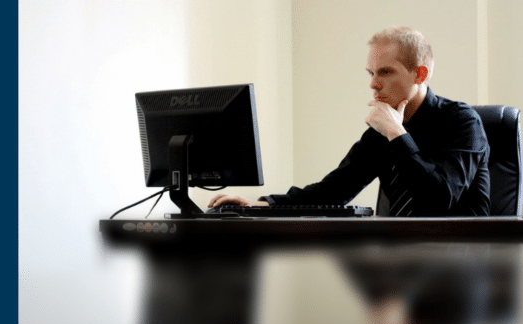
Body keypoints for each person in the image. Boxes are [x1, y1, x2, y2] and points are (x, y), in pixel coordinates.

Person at [208, 26, 490, 217]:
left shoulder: (463, 123)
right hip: (401, 261)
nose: (374, 84)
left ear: (420, 74)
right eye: (370, 73)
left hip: (460, 260)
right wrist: (263, 204)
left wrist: (396, 133)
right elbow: (332, 192)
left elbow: (440, 198)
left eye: (385, 72)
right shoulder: (381, 133)